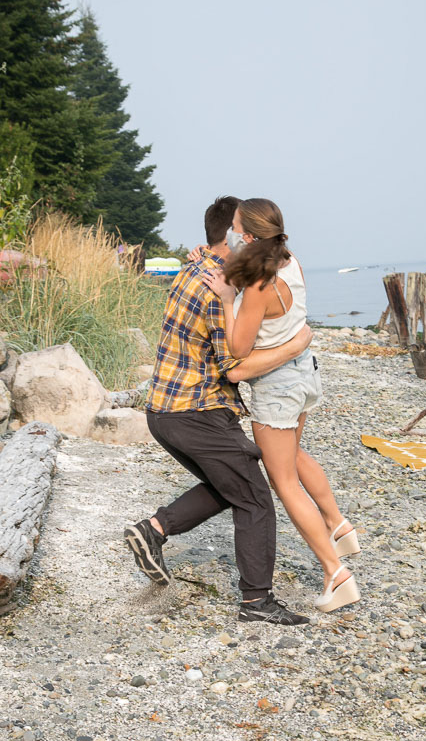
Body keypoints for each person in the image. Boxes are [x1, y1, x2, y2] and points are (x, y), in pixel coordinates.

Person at [124, 195, 314, 625]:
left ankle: (153, 531)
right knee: (255, 500)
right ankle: (256, 602)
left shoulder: (193, 267)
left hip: (164, 411)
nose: (255, 245)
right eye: (247, 236)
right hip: (197, 410)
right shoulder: (218, 291)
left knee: (231, 485)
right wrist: (296, 344)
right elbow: (235, 369)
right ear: (231, 237)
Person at [195, 198, 361, 613]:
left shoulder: (257, 288)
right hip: (306, 375)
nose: (229, 234)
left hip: (277, 387)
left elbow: (238, 347)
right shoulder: (290, 262)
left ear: (249, 236)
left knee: (283, 481)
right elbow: (247, 263)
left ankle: (335, 572)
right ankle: (338, 524)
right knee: (294, 454)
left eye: (234, 228)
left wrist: (227, 299)